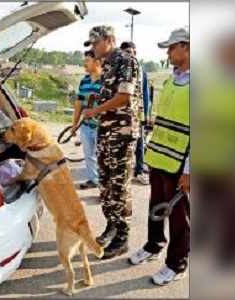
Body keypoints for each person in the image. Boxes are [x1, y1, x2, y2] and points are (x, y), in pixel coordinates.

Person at [129, 28, 190, 286]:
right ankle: (154, 245)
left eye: (172, 47)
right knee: (156, 206)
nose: (167, 52)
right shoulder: (169, 80)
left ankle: (177, 263)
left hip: (180, 164)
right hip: (159, 158)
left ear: (187, 47)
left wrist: (190, 170)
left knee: (179, 217)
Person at [82, 25, 141, 259]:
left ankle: (122, 237)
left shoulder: (126, 60)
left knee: (119, 186)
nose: (93, 48)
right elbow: (111, 94)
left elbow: (124, 96)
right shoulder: (106, 64)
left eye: (95, 43)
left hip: (121, 134)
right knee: (105, 185)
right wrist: (98, 102)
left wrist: (96, 110)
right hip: (106, 133)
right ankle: (111, 226)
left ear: (109, 40)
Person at [120, 41, 150, 186]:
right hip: (122, 116)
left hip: (138, 114)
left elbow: (145, 94)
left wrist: (147, 114)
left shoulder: (141, 71)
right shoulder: (118, 70)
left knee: (140, 143)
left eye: (133, 52)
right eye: (127, 52)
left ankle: (139, 171)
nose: (131, 55)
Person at [71, 50, 103, 189]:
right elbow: (78, 103)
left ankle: (104, 185)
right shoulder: (84, 81)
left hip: (101, 126)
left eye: (87, 60)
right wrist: (74, 124)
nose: (84, 63)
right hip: (86, 126)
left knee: (102, 157)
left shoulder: (106, 81)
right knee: (88, 154)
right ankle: (93, 179)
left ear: (97, 62)